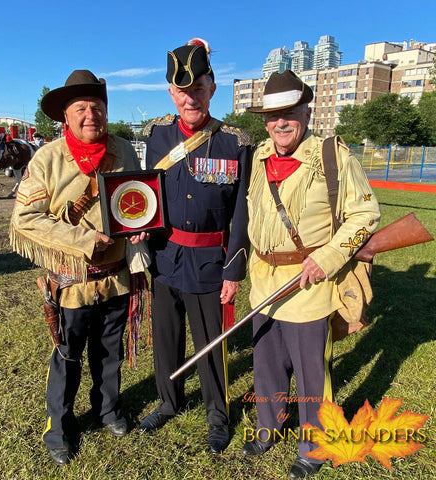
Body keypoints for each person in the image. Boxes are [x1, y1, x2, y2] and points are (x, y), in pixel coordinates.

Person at [243, 70, 380, 478]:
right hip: (264, 283)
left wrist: (328, 257)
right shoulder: (259, 156)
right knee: (266, 368)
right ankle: (269, 428)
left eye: (289, 112)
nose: (281, 122)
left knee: (311, 374)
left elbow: (366, 213)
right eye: (272, 116)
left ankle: (315, 447)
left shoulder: (332, 156)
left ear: (306, 110)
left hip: (310, 284)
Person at [10, 69, 145, 466]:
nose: (91, 115)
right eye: (82, 108)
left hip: (117, 277)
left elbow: (138, 201)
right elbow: (25, 219)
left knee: (109, 352)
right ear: (65, 117)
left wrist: (139, 231)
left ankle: (107, 410)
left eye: (98, 107)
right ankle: (60, 427)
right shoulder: (48, 158)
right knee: (67, 356)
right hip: (71, 281)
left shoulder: (125, 150)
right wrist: (84, 241)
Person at [138, 38, 251, 454]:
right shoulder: (157, 135)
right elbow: (144, 194)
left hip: (209, 261)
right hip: (165, 256)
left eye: (199, 88)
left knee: (210, 345)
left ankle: (217, 416)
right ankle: (169, 402)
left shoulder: (234, 143)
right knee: (166, 339)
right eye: (183, 92)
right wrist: (138, 231)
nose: (191, 99)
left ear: (212, 87)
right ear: (171, 92)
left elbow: (242, 212)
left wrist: (233, 270)